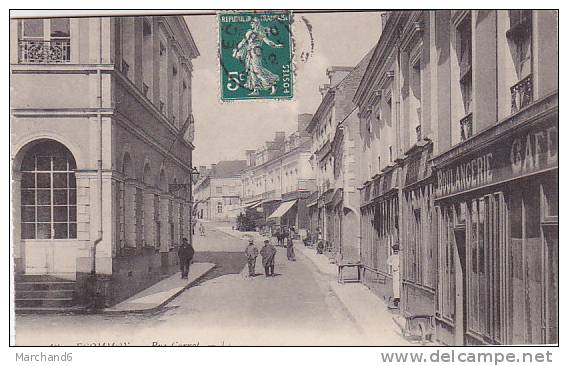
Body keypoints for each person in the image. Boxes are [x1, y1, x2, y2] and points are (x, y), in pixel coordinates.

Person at [232, 17, 284, 96]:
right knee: (251, 71)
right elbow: (243, 42)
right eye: (251, 23)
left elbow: (268, 41)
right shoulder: (249, 32)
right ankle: (256, 90)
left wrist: (276, 45)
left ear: (256, 24)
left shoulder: (261, 33)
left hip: (256, 53)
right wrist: (236, 49)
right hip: (249, 53)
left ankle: (272, 84)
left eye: (252, 23)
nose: (251, 24)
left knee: (257, 70)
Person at [387, 243, 400, 309]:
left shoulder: (400, 256)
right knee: (395, 285)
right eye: (394, 251)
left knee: (398, 285)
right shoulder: (392, 256)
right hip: (394, 273)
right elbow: (388, 262)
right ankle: (396, 297)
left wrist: (398, 266)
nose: (395, 252)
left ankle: (398, 297)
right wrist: (392, 264)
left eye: (396, 251)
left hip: (399, 272)